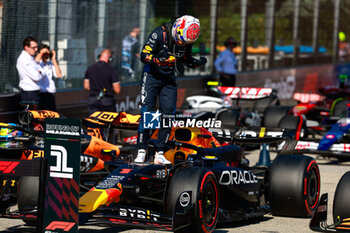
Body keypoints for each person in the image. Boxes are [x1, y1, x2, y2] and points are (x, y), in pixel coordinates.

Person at [134, 15, 207, 164]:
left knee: (168, 114)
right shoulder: (159, 33)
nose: (182, 44)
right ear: (178, 29)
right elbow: (143, 55)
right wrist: (157, 59)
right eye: (181, 41)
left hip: (169, 79)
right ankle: (142, 150)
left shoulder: (186, 39)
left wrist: (196, 63)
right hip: (151, 77)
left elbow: (185, 59)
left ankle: (160, 151)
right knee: (148, 112)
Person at [84, 49, 121, 115]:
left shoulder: (90, 69)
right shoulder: (112, 70)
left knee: (93, 122)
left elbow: (86, 86)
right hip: (107, 101)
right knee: (108, 122)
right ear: (110, 58)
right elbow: (117, 90)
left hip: (93, 100)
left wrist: (95, 90)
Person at [16, 36, 47, 107]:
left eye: (37, 47)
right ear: (26, 47)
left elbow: (42, 71)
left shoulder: (31, 58)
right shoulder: (23, 59)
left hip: (35, 92)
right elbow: (36, 77)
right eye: (34, 48)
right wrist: (39, 72)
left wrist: (40, 72)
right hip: (29, 94)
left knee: (39, 116)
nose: (36, 49)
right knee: (32, 116)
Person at [37, 44, 62, 111]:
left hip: (50, 94)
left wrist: (53, 59)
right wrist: (41, 53)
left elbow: (59, 75)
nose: (46, 55)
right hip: (41, 94)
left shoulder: (50, 64)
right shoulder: (37, 63)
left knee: (53, 115)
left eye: (47, 53)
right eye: (44, 53)